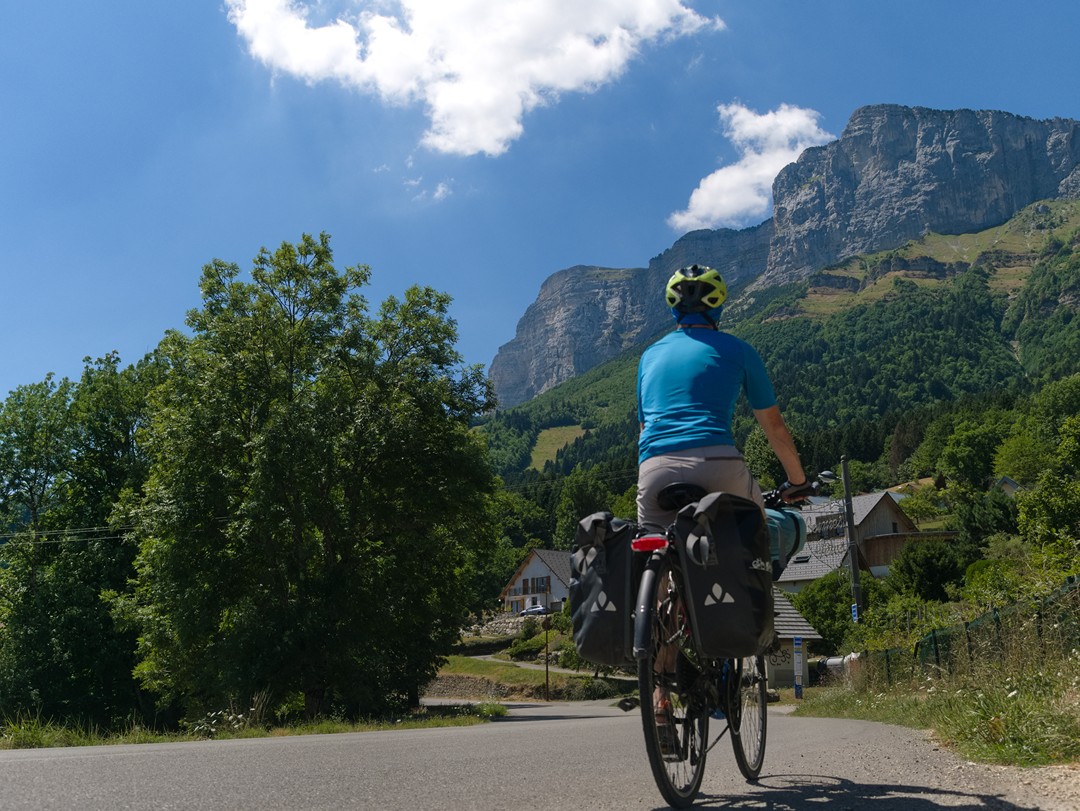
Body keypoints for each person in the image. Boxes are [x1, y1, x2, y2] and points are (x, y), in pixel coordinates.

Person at [636, 264, 811, 531]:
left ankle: (656, 569)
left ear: (673, 307)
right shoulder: (740, 350)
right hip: (716, 462)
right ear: (718, 306)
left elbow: (644, 429)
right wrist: (798, 482)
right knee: (754, 538)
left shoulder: (648, 357)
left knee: (652, 550)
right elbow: (773, 426)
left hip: (655, 467)